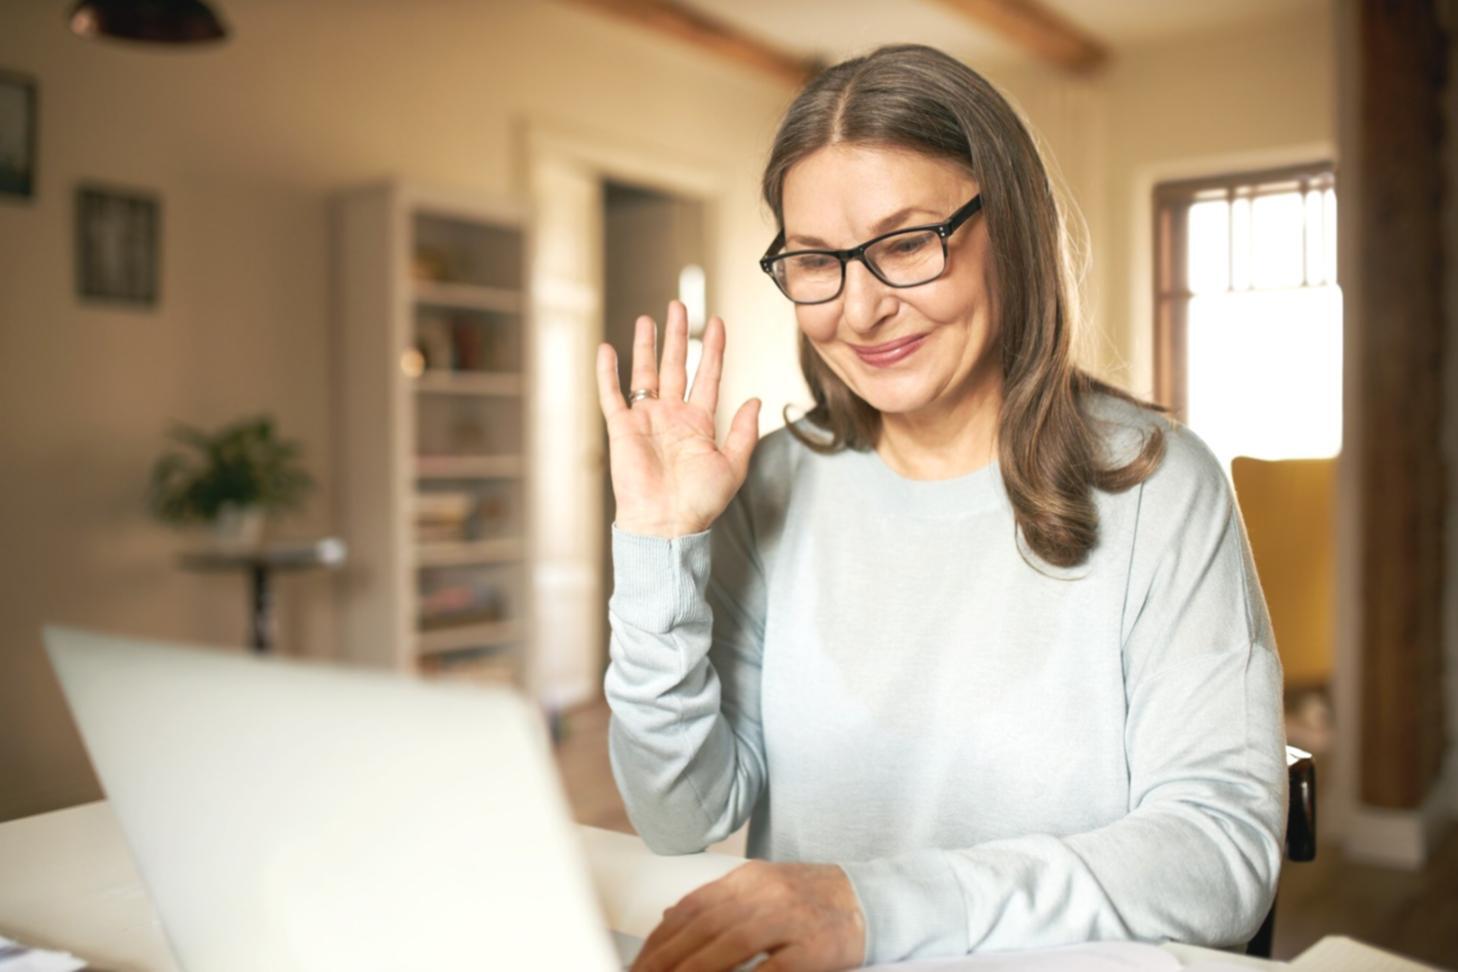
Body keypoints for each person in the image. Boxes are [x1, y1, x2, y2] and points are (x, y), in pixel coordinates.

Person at [595, 43, 1286, 972]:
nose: (860, 310)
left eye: (907, 244)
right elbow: (679, 818)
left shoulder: (1157, 484)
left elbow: (1219, 854)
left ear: (1013, 230)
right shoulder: (768, 485)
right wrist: (658, 551)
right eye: (816, 260)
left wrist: (874, 906)